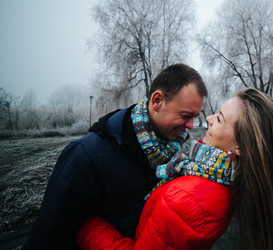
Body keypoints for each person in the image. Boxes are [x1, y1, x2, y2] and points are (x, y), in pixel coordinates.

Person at [77, 88, 273, 250]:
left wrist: (88, 227)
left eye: (220, 119)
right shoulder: (232, 181)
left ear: (241, 146)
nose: (208, 118)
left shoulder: (186, 198)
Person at [23, 64, 208, 250]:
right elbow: (50, 237)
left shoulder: (175, 154)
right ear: (157, 101)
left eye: (195, 117)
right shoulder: (85, 155)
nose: (191, 126)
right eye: (186, 115)